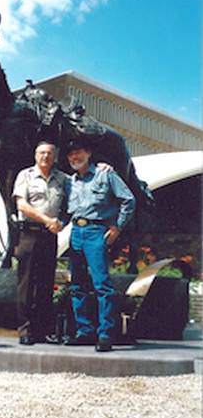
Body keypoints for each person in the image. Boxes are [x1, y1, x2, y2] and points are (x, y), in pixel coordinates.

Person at [64, 139, 136, 352]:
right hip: (76, 232)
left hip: (97, 232)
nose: (74, 158)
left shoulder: (105, 174)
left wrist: (117, 228)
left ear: (88, 152)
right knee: (77, 284)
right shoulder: (69, 181)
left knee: (102, 284)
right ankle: (84, 331)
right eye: (70, 155)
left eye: (78, 152)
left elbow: (128, 200)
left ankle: (106, 333)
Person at [12, 141, 65, 345]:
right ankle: (25, 330)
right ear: (35, 155)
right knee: (26, 284)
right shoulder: (25, 175)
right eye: (41, 153)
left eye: (49, 153)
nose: (45, 157)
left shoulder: (62, 179)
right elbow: (22, 206)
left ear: (55, 157)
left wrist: (104, 168)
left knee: (45, 284)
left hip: (49, 237)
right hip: (29, 235)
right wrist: (47, 220)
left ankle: (43, 331)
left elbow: (77, 193)